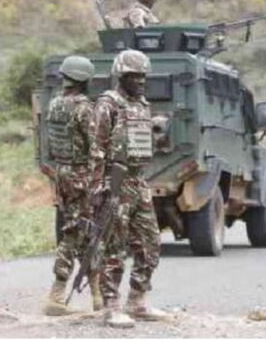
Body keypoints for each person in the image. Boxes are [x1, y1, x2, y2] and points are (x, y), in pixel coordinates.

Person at [89, 49, 168, 328]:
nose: (141, 82)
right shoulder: (108, 104)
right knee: (114, 246)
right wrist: (98, 187)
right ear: (121, 76)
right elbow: (96, 149)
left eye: (143, 77)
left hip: (138, 181)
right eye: (135, 76)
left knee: (151, 243)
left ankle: (137, 300)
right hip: (115, 182)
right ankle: (111, 306)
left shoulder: (142, 104)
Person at [43, 55, 102, 316]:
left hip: (62, 174)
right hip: (81, 177)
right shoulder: (84, 108)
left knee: (85, 232)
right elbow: (96, 148)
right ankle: (56, 294)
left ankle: (98, 295)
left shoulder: (54, 104)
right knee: (75, 233)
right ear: (85, 80)